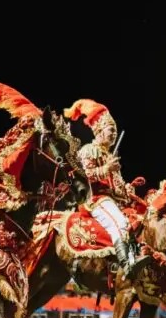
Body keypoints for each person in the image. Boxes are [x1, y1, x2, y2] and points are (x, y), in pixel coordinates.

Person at [63, 98, 152, 279]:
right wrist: (106, 169)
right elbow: (83, 177)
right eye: (111, 130)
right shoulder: (89, 150)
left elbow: (116, 187)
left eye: (115, 131)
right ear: (99, 131)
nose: (114, 134)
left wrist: (127, 189)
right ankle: (126, 264)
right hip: (95, 200)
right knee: (119, 222)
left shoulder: (110, 156)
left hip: (112, 200)